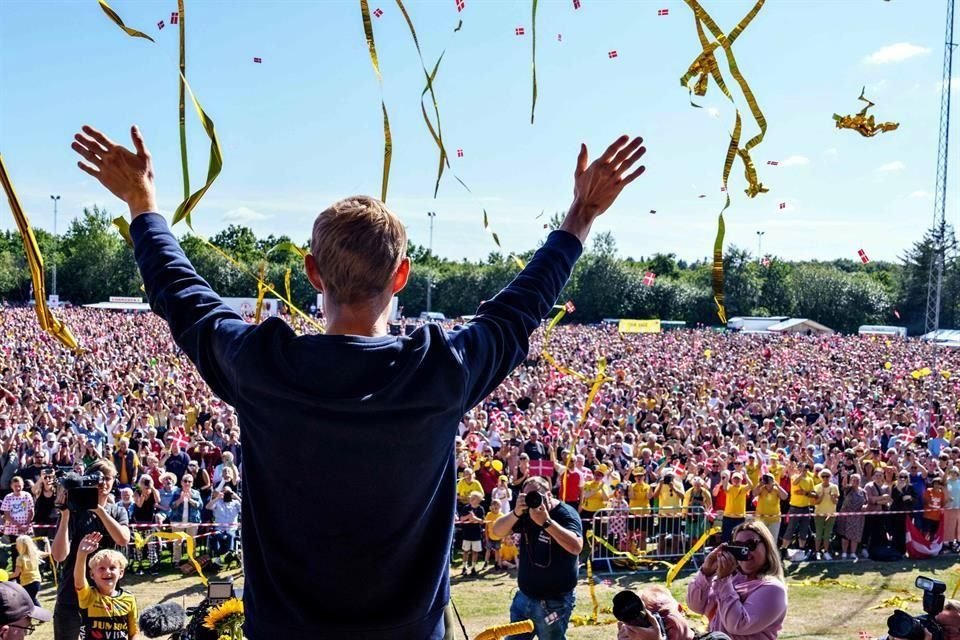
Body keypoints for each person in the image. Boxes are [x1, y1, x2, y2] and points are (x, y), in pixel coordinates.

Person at [71, 123, 646, 639]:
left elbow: (184, 297)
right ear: (402, 276)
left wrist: (143, 203)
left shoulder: (263, 366)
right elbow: (519, 308)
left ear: (312, 272)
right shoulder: (439, 370)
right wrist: (580, 217)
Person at [491, 476, 583, 640]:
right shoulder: (525, 512)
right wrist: (515, 513)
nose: (532, 500)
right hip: (525, 596)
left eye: (535, 496)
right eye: (527, 496)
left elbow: (576, 547)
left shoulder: (565, 514)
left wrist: (546, 522)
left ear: (548, 494)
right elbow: (497, 531)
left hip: (554, 602)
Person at [51, 459, 131, 640]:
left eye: (108, 478)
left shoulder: (117, 512)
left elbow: (123, 539)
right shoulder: (75, 512)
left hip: (105, 596)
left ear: (115, 481)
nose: (103, 483)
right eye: (98, 479)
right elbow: (59, 555)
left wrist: (99, 510)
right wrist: (64, 515)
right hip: (72, 596)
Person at [686, 521, 788, 640]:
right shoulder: (732, 579)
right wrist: (706, 571)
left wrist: (723, 581)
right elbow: (696, 606)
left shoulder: (774, 589)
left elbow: (737, 625)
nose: (745, 551)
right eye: (738, 546)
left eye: (750, 545)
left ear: (766, 546)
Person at [73, 532, 140, 640]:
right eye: (101, 568)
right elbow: (79, 582)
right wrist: (82, 554)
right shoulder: (88, 596)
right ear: (92, 574)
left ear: (121, 573)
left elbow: (134, 632)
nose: (107, 572)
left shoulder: (129, 599)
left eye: (112, 568)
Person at [8, 536, 45, 606]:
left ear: (20, 546)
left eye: (17, 544)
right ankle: (39, 614)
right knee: (31, 599)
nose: (16, 546)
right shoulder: (35, 554)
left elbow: (16, 574)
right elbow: (49, 553)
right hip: (37, 581)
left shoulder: (20, 558)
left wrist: (6, 576)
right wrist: (47, 543)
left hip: (27, 583)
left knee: (28, 600)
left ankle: (40, 614)